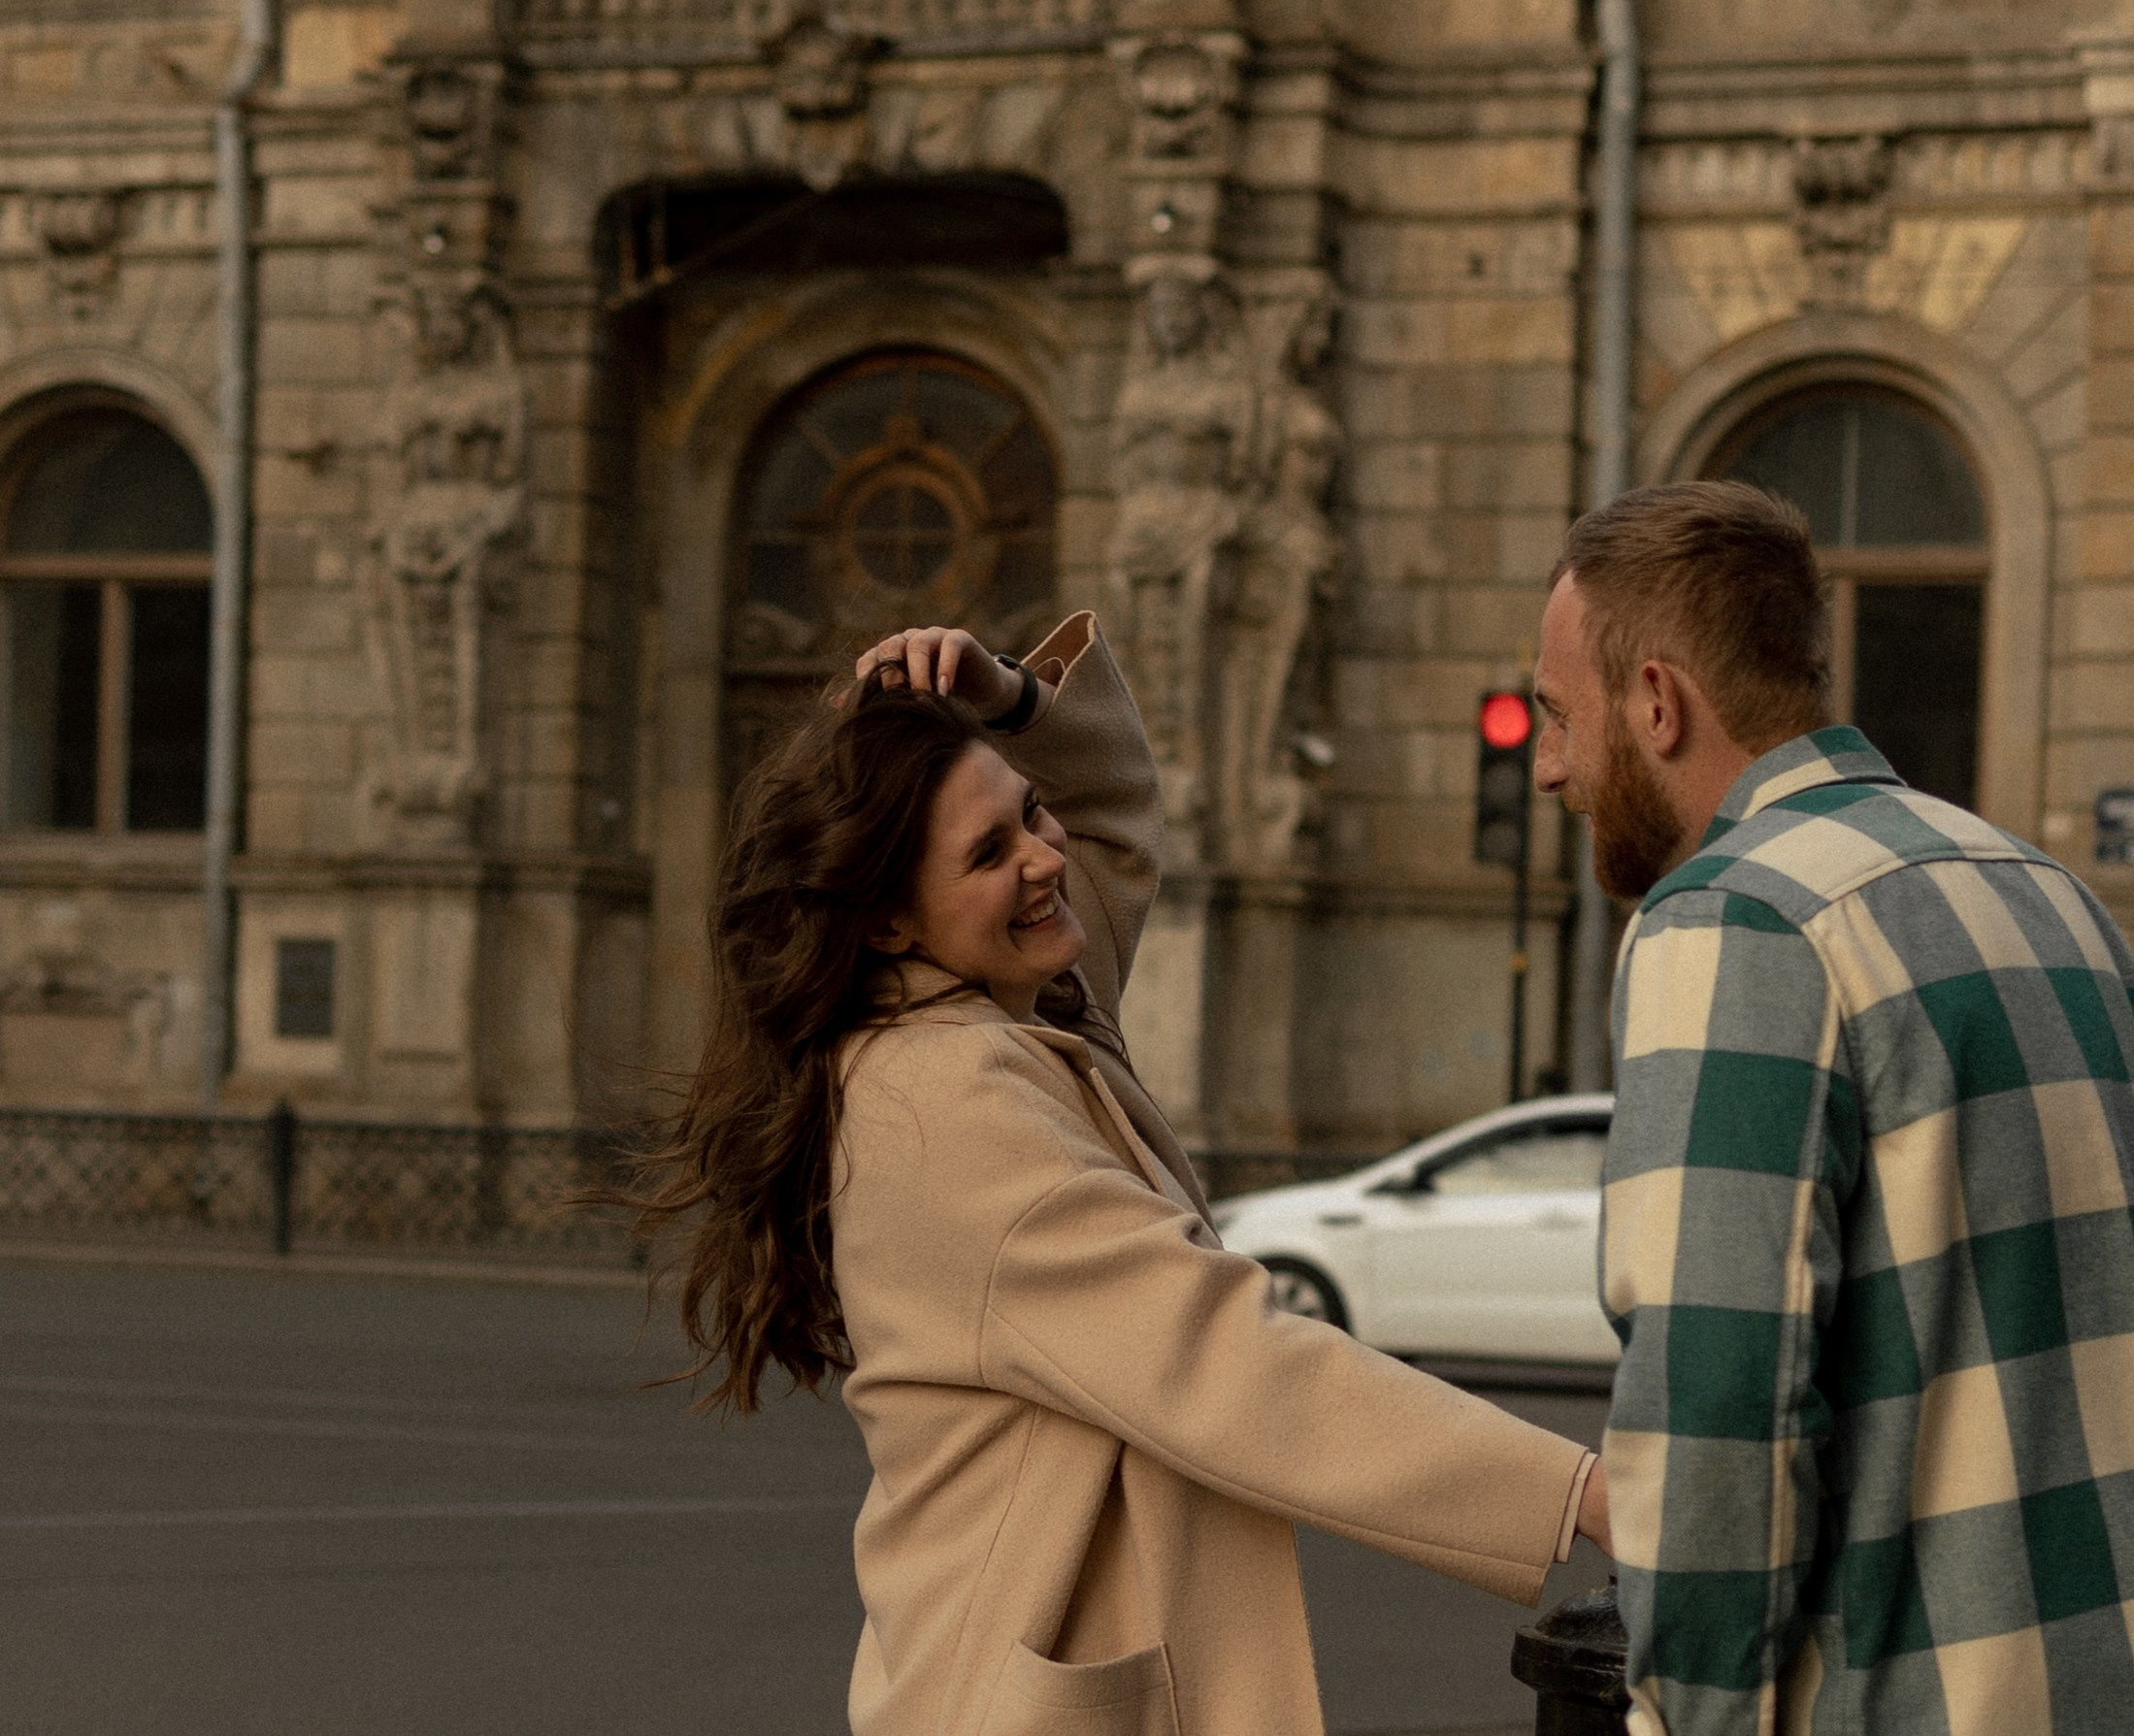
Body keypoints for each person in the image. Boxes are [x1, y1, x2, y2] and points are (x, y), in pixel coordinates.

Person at [643, 608, 1609, 1736]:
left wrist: (1009, 700)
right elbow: (1224, 1357)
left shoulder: (1012, 999)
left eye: (1027, 811)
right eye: (988, 852)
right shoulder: (946, 1099)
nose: (1042, 858)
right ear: (891, 918)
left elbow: (1108, 817)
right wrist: (1581, 1492)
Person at [1531, 478, 2134, 1735]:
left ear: (1653, 700)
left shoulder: (1731, 915)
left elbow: (1714, 1420)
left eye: (1556, 714)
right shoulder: (2045, 893)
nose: (1547, 766)